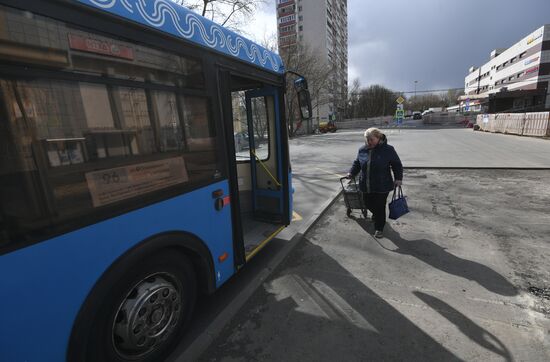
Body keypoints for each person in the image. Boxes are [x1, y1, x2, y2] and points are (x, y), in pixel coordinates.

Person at [347, 127, 403, 238]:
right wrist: (351, 173)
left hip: (382, 185)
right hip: (366, 184)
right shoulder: (362, 149)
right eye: (367, 140)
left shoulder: (388, 150)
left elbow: (397, 165)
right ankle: (377, 216)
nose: (369, 142)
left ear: (378, 138)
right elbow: (357, 163)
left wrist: (398, 178)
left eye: (371, 139)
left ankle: (379, 228)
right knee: (367, 203)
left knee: (379, 206)